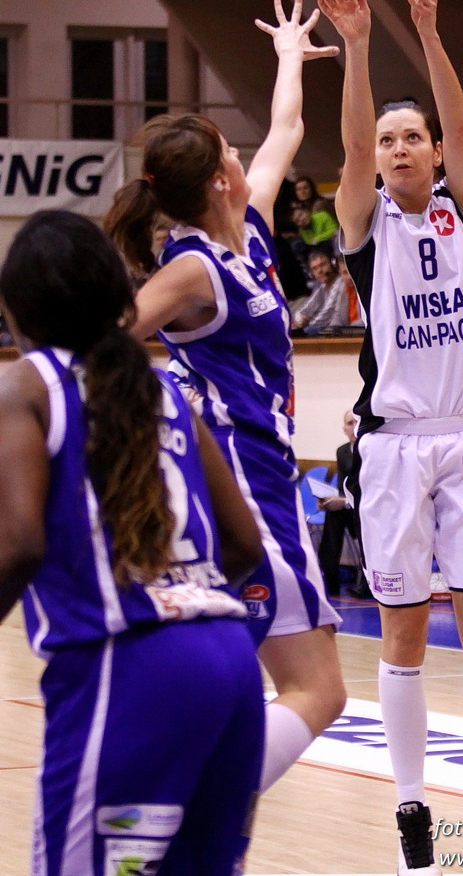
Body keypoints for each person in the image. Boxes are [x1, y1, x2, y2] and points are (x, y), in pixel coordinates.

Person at [106, 0, 346, 795]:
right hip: (244, 486)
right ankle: (179, 816)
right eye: (229, 152)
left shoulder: (252, 226)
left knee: (231, 686)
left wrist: (289, 55)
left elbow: (286, 129)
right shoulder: (192, 267)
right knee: (318, 691)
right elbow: (110, 335)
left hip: (256, 476)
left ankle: (155, 799)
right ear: (217, 179)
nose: (245, 155)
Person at [318, 0, 463, 876]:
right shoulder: (366, 227)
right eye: (389, 139)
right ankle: (411, 809)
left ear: (435, 154)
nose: (399, 148)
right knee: (402, 634)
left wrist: (431, 33)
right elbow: (351, 147)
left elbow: (462, 125)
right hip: (396, 448)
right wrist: (359, 48)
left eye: (413, 138)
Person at [0, 210, 265, 876]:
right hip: (230, 662)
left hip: (129, 667)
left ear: (17, 308)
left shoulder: (28, 384)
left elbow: (18, 544)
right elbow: (242, 541)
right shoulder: (163, 389)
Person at [316, 409, 370, 598]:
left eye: (356, 422)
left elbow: (372, 488)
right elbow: (342, 486)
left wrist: (345, 501)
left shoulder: (372, 449)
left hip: (369, 509)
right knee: (333, 513)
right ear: (344, 429)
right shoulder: (342, 451)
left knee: (347, 514)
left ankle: (367, 583)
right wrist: (329, 501)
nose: (353, 427)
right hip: (351, 509)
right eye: (349, 423)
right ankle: (329, 578)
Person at [292, 250, 348, 333]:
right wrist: (300, 320)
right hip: (326, 329)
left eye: (322, 265)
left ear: (332, 264)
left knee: (307, 330)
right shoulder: (321, 286)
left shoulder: (340, 282)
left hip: (341, 328)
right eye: (315, 269)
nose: (319, 271)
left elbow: (327, 314)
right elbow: (304, 309)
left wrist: (306, 326)